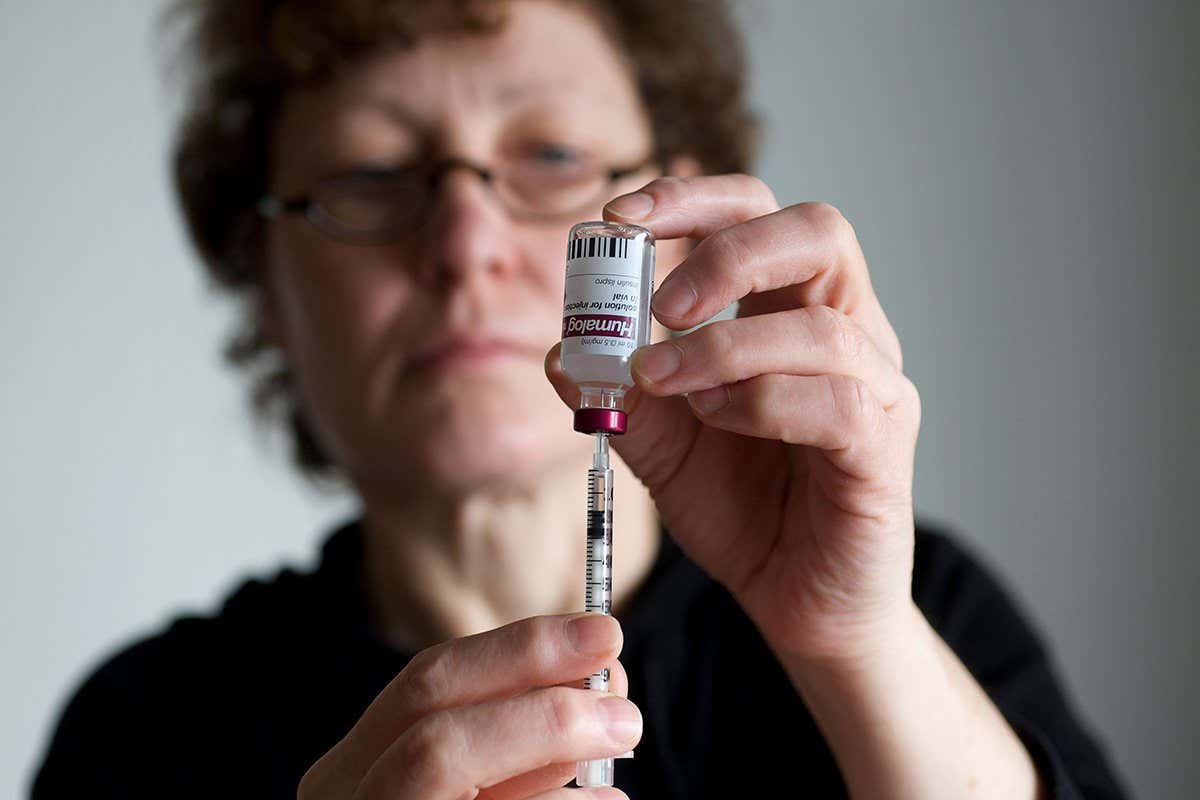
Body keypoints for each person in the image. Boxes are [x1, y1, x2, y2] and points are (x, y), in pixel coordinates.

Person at [33, 0, 1130, 797]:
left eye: (551, 155)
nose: (466, 246)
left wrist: (859, 650)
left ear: (683, 221)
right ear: (263, 278)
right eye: (371, 175)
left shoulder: (914, 609)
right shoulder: (155, 734)